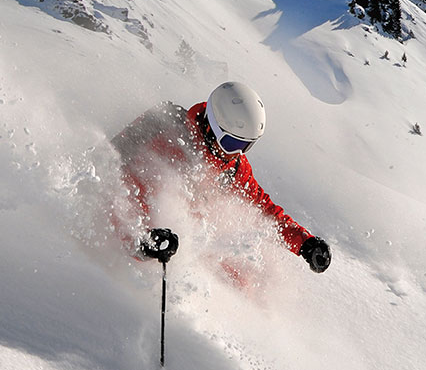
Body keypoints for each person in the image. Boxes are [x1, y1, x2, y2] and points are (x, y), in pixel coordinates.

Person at [111, 81, 331, 274]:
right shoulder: (169, 142)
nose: (237, 153)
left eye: (247, 146)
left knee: (243, 276)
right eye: (233, 144)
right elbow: (120, 191)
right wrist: (142, 240)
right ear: (214, 126)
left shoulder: (232, 166)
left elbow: (264, 209)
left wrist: (305, 243)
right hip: (134, 251)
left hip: (186, 244)